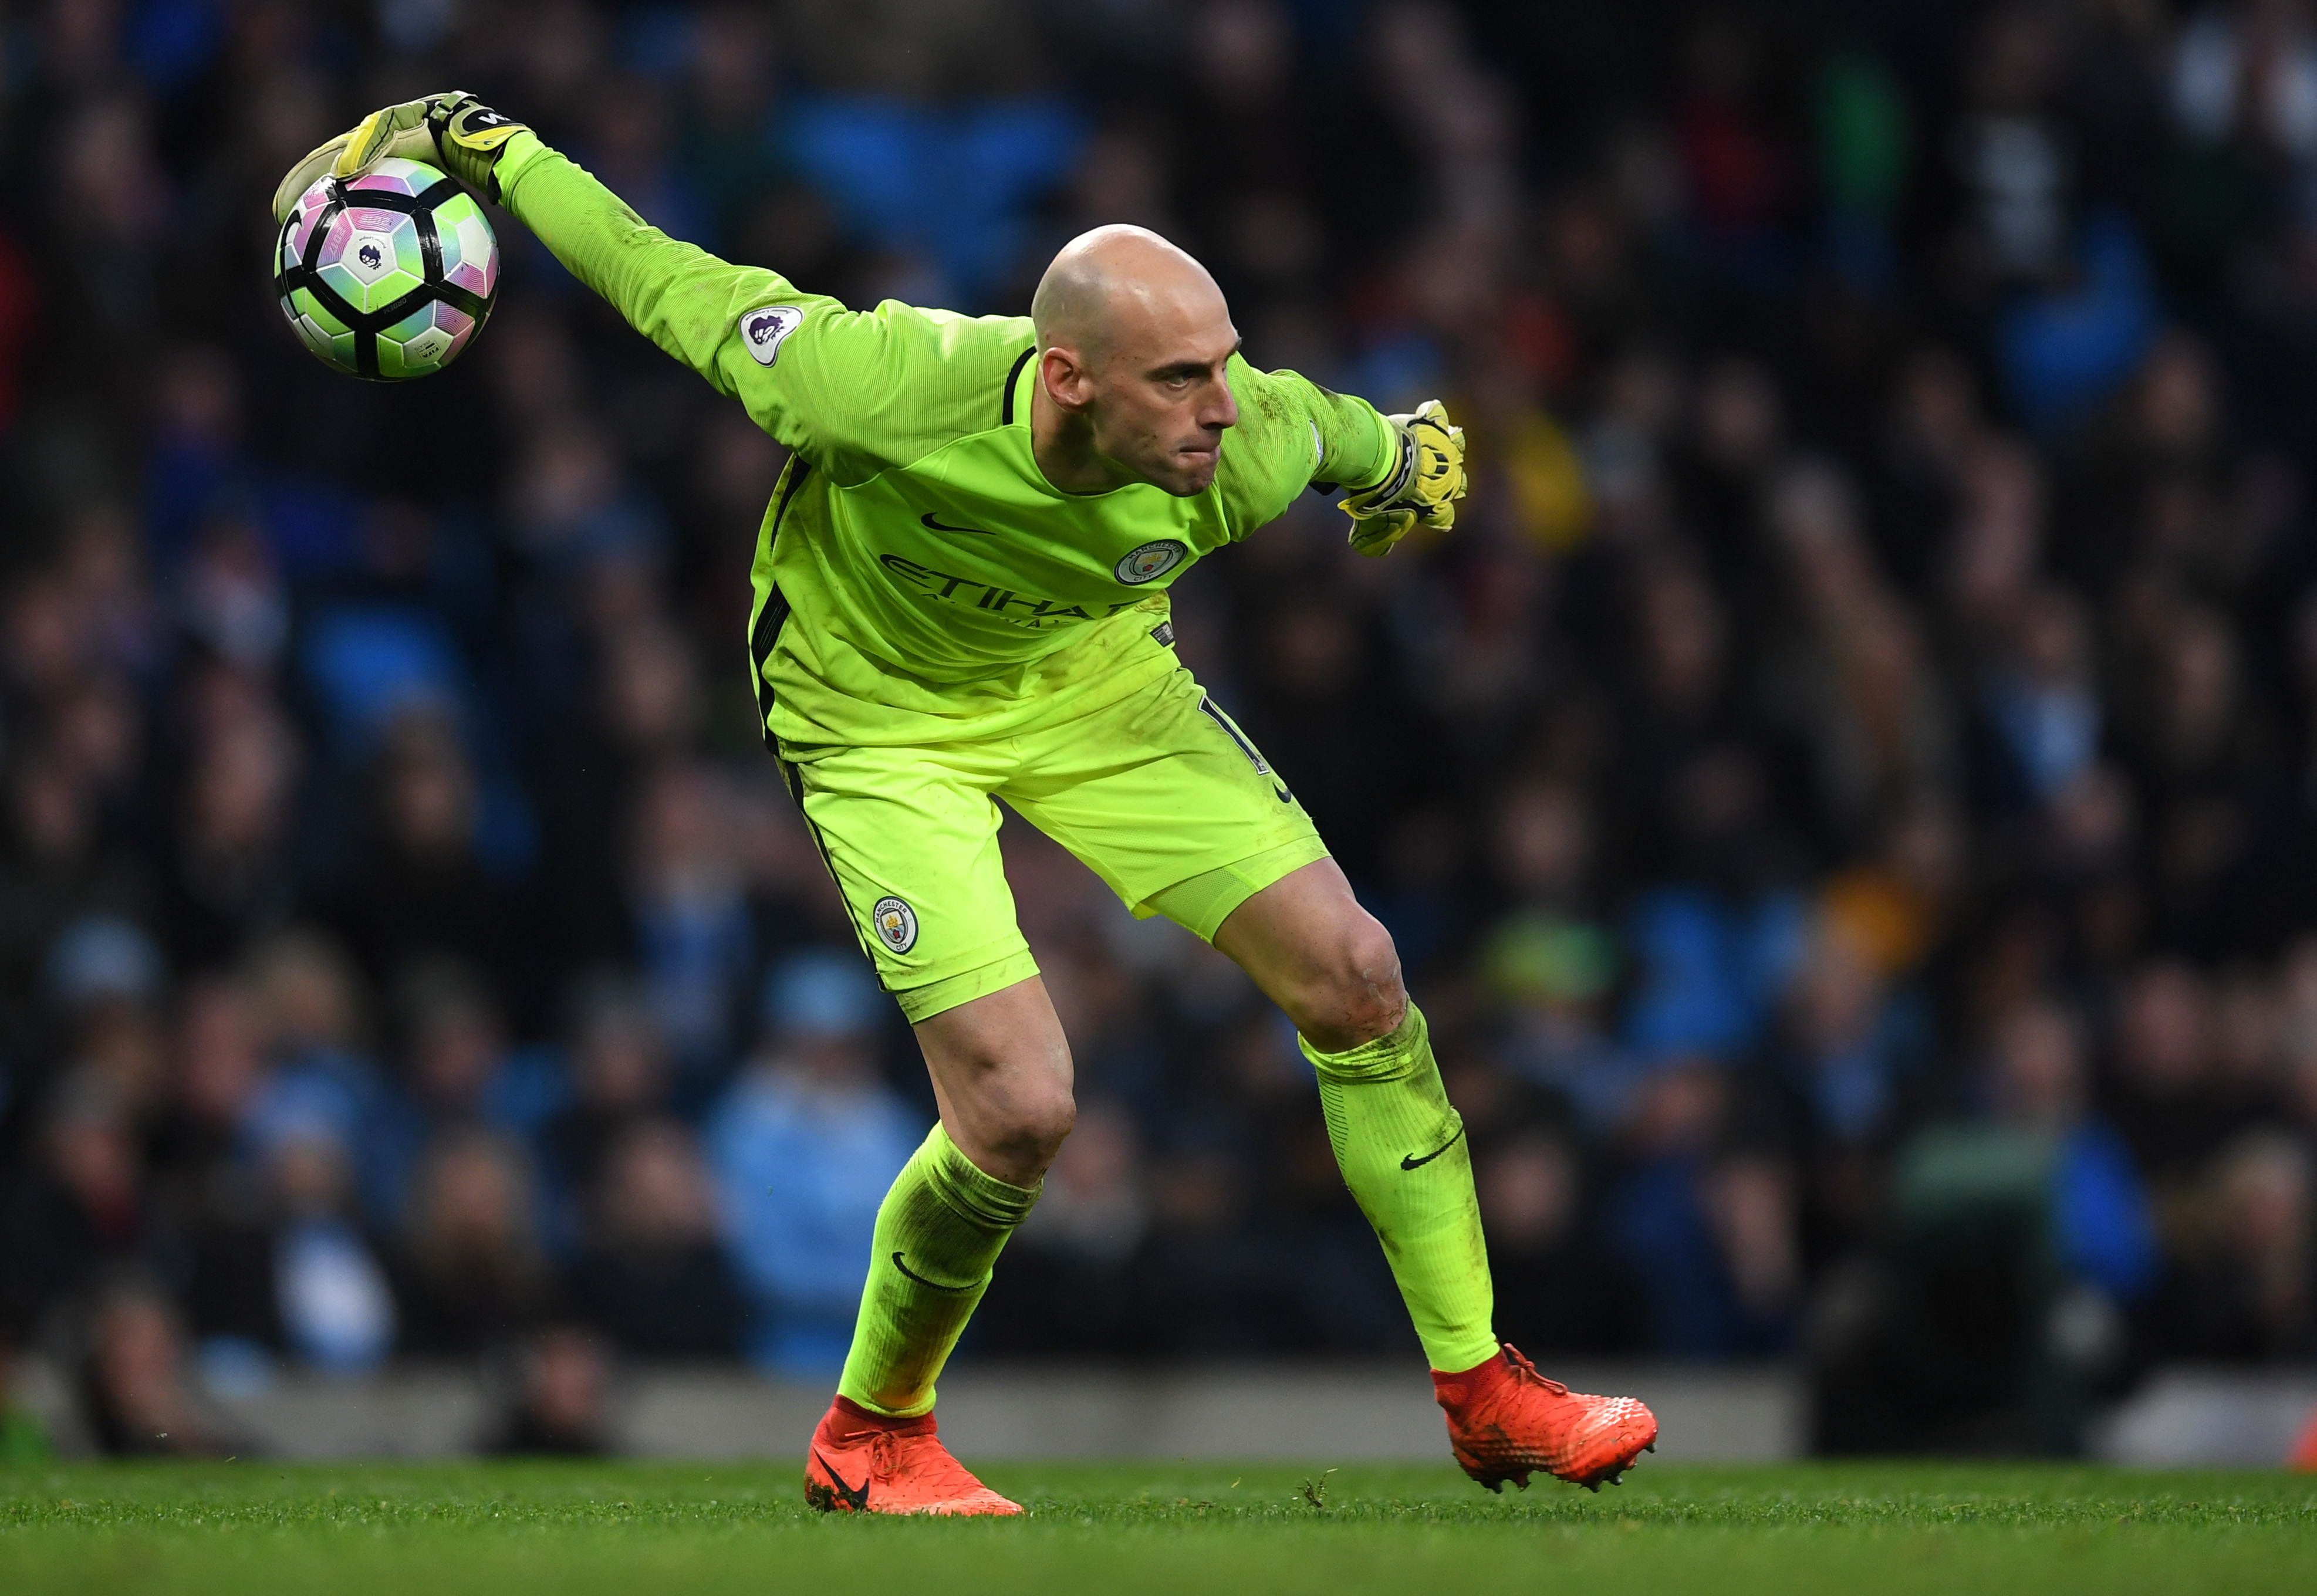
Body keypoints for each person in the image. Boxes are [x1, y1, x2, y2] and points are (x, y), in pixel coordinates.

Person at [272, 92, 1657, 1515]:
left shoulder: (1240, 450)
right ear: (1067, 379)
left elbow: (1356, 438)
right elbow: (660, 281)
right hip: (873, 717)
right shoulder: (879, 385)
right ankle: (875, 1429)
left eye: (1226, 368)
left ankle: (1485, 1391)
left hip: (1094, 688)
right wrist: (490, 151)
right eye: (1181, 378)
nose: (1222, 408)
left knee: (1362, 977)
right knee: (1020, 1108)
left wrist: (1413, 465)